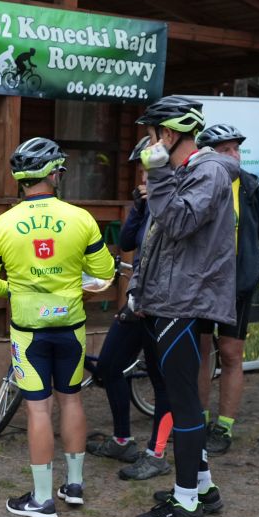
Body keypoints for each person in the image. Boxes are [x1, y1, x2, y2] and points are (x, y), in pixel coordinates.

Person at [0, 137, 116, 517]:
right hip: (70, 325)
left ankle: (41, 500)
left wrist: (18, 289)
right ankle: (74, 486)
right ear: (53, 173)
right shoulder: (81, 218)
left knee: (39, 408)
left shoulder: (1, 225)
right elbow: (105, 273)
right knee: (71, 399)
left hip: (28, 329)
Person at [126, 96, 239, 517]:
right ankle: (203, 487)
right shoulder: (190, 172)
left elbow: (175, 223)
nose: (150, 144)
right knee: (181, 398)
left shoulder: (207, 171)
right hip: (171, 297)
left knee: (185, 404)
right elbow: (159, 241)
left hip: (184, 300)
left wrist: (156, 174)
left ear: (168, 135)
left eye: (154, 135)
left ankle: (186, 503)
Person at [193, 123, 259, 454]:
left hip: (237, 286)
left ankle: (225, 427)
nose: (234, 155)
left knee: (230, 353)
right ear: (206, 154)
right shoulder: (195, 182)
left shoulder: (250, 186)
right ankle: (198, 422)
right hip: (200, 286)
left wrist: (252, 272)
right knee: (200, 353)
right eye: (225, 150)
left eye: (237, 149)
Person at [89, 136, 171, 476]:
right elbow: (124, 244)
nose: (142, 178)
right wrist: (138, 208)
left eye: (146, 170)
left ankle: (157, 454)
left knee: (161, 378)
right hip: (137, 302)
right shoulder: (147, 202)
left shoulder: (176, 201)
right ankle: (123, 441)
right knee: (108, 366)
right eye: (140, 172)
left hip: (165, 306)